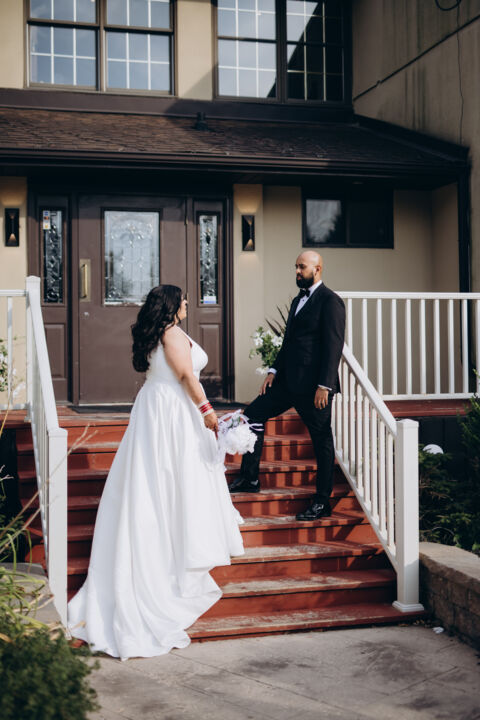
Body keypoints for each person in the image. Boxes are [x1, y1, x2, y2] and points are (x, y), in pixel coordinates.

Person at [68, 285, 244, 660]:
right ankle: (171, 558)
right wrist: (208, 412)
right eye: (182, 300)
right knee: (171, 482)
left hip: (156, 408)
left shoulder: (155, 333)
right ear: (171, 305)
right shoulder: (171, 333)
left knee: (155, 481)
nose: (187, 303)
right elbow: (186, 376)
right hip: (173, 413)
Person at [229, 251, 345, 521]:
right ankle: (250, 478)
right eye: (295, 266)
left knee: (322, 440)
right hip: (287, 382)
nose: (297, 271)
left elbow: (334, 346)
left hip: (314, 389)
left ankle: (322, 502)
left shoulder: (331, 301)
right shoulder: (297, 301)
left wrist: (325, 385)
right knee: (252, 415)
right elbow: (289, 342)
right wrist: (273, 371)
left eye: (302, 267)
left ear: (317, 269)